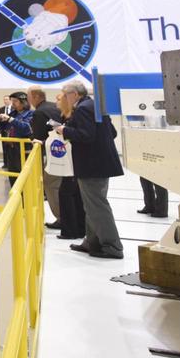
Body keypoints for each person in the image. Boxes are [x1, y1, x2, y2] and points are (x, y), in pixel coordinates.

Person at [55, 80, 124, 259]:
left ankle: (112, 246)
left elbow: (86, 135)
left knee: (97, 206)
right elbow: (112, 133)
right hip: (99, 164)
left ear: (74, 95)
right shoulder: (96, 105)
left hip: (92, 165)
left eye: (64, 94)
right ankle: (91, 241)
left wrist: (65, 130)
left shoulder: (83, 108)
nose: (63, 98)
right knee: (92, 205)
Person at [28, 86, 64, 229]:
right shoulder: (52, 107)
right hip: (63, 153)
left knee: (51, 185)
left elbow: (39, 137)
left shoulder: (39, 112)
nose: (28, 100)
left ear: (36, 97)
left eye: (29, 96)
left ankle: (61, 218)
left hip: (54, 155)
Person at [53, 90, 85, 240]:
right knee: (72, 194)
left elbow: (81, 134)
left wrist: (64, 130)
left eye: (60, 99)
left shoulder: (76, 113)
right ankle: (76, 229)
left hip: (74, 162)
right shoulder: (65, 115)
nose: (57, 102)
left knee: (68, 193)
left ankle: (72, 230)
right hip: (70, 161)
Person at [0, 91, 33, 188]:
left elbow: (26, 128)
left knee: (23, 175)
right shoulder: (13, 113)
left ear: (24, 102)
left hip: (23, 148)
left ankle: (25, 198)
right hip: (11, 148)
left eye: (15, 101)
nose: (12, 104)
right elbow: (5, 128)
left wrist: (10, 119)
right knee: (12, 174)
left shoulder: (30, 114)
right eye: (12, 101)